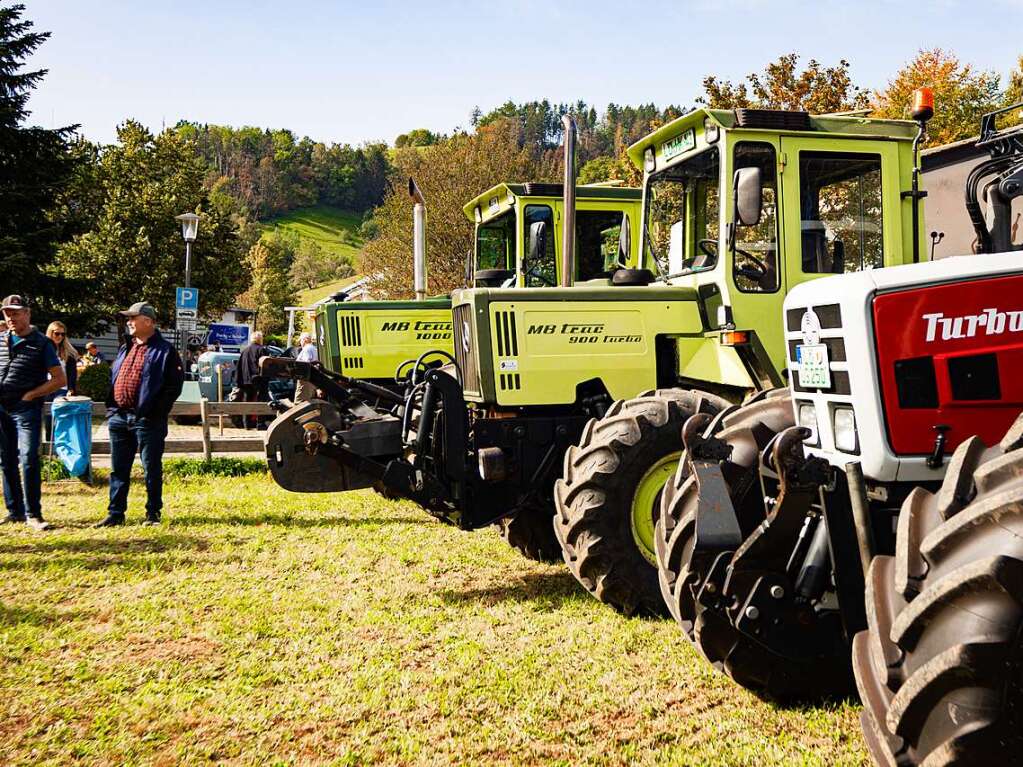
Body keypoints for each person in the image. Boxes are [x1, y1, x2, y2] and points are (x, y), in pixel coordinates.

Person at [95, 302, 183, 528]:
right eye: (128, 318)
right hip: (119, 417)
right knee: (118, 469)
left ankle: (152, 513)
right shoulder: (126, 347)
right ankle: (115, 513)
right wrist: (113, 409)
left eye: (133, 318)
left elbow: (173, 387)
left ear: (148, 321)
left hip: (147, 420)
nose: (129, 322)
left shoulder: (165, 351)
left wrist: (155, 412)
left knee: (151, 468)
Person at [0, 295, 66, 530]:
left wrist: (32, 395)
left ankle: (33, 514)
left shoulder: (41, 343)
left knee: (28, 458)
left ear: (27, 314)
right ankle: (14, 511)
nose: (11, 317)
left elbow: (59, 379)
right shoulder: (1, 340)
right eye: (7, 313)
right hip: (2, 409)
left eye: (16, 312)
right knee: (6, 461)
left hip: (26, 409)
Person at [235, 330, 268, 428]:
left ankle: (246, 423)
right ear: (260, 339)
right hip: (258, 379)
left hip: (246, 380)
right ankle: (260, 423)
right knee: (261, 400)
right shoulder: (262, 350)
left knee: (247, 401)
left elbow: (239, 366)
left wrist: (238, 381)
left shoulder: (245, 351)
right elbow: (265, 365)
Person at [46, 321, 78, 396]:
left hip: (62, 390)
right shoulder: (43, 350)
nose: (60, 336)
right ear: (50, 333)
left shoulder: (68, 352)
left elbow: (72, 374)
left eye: (63, 334)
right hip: (45, 389)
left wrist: (71, 389)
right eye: (57, 334)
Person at [294, 332, 318, 402]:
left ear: (305, 340)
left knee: (299, 402)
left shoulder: (306, 349)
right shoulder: (313, 348)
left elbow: (305, 364)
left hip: (305, 380)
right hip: (311, 379)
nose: (300, 343)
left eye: (301, 340)